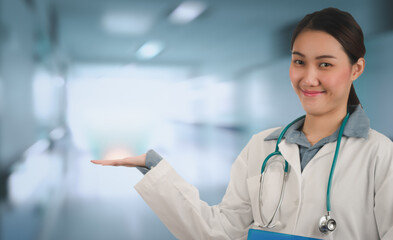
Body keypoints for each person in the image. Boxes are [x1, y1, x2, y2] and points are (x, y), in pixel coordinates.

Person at [91, 7, 393, 240]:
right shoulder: (262, 148)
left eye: (324, 64)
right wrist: (152, 166)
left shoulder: (381, 155)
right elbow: (221, 232)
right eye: (299, 61)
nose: (308, 78)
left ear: (356, 68)